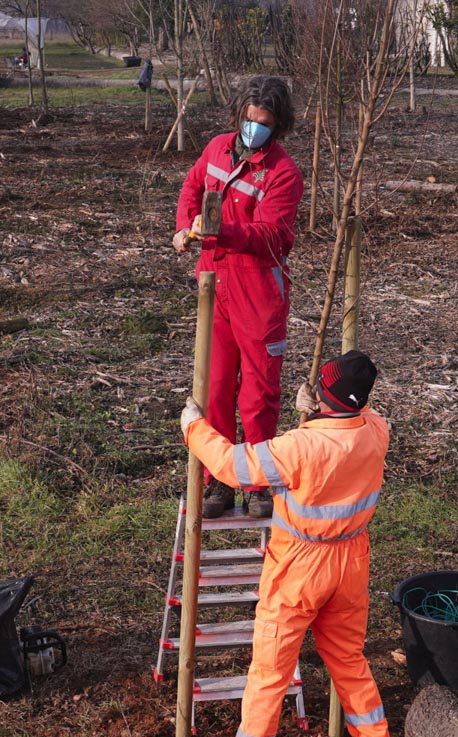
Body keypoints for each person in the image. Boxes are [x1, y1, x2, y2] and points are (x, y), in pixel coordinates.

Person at [181, 351, 396, 737]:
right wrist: (319, 413)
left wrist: (193, 426)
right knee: (349, 658)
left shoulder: (299, 447)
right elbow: (359, 412)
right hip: (351, 562)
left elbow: (232, 466)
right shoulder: (376, 431)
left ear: (326, 397)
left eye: (320, 387)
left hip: (300, 567)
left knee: (270, 670)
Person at [172, 75, 304, 520]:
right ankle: (220, 482)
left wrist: (218, 229)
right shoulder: (217, 149)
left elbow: (273, 237)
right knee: (214, 389)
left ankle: (259, 485)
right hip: (214, 285)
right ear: (238, 116)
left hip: (259, 294)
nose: (254, 130)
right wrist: (185, 224)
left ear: (277, 125)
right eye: (249, 120)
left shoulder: (283, 174)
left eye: (263, 123)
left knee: (258, 395)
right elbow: (192, 187)